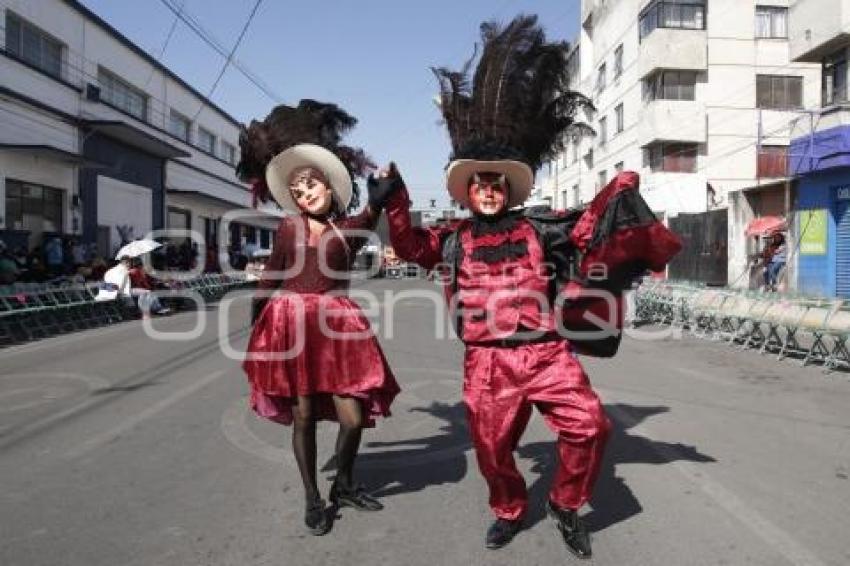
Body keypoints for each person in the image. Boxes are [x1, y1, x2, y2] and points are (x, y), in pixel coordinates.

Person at [371, 16, 682, 558]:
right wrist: (394, 198)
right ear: (467, 191)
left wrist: (615, 190)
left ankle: (565, 501)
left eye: (496, 184)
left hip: (546, 354)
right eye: (479, 184)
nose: (488, 191)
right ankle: (510, 508)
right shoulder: (451, 237)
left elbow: (588, 227)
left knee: (591, 427)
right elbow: (414, 247)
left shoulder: (541, 227)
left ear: (506, 188)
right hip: (487, 363)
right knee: (491, 450)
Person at [236, 100, 400, 536]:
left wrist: (384, 194)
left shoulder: (346, 229)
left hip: (336, 327)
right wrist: (258, 324)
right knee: (304, 415)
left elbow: (371, 214)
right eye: (299, 192)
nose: (307, 195)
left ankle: (343, 484)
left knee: (353, 417)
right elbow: (271, 275)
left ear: (328, 185)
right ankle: (312, 496)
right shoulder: (290, 228)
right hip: (290, 324)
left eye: (312, 186)